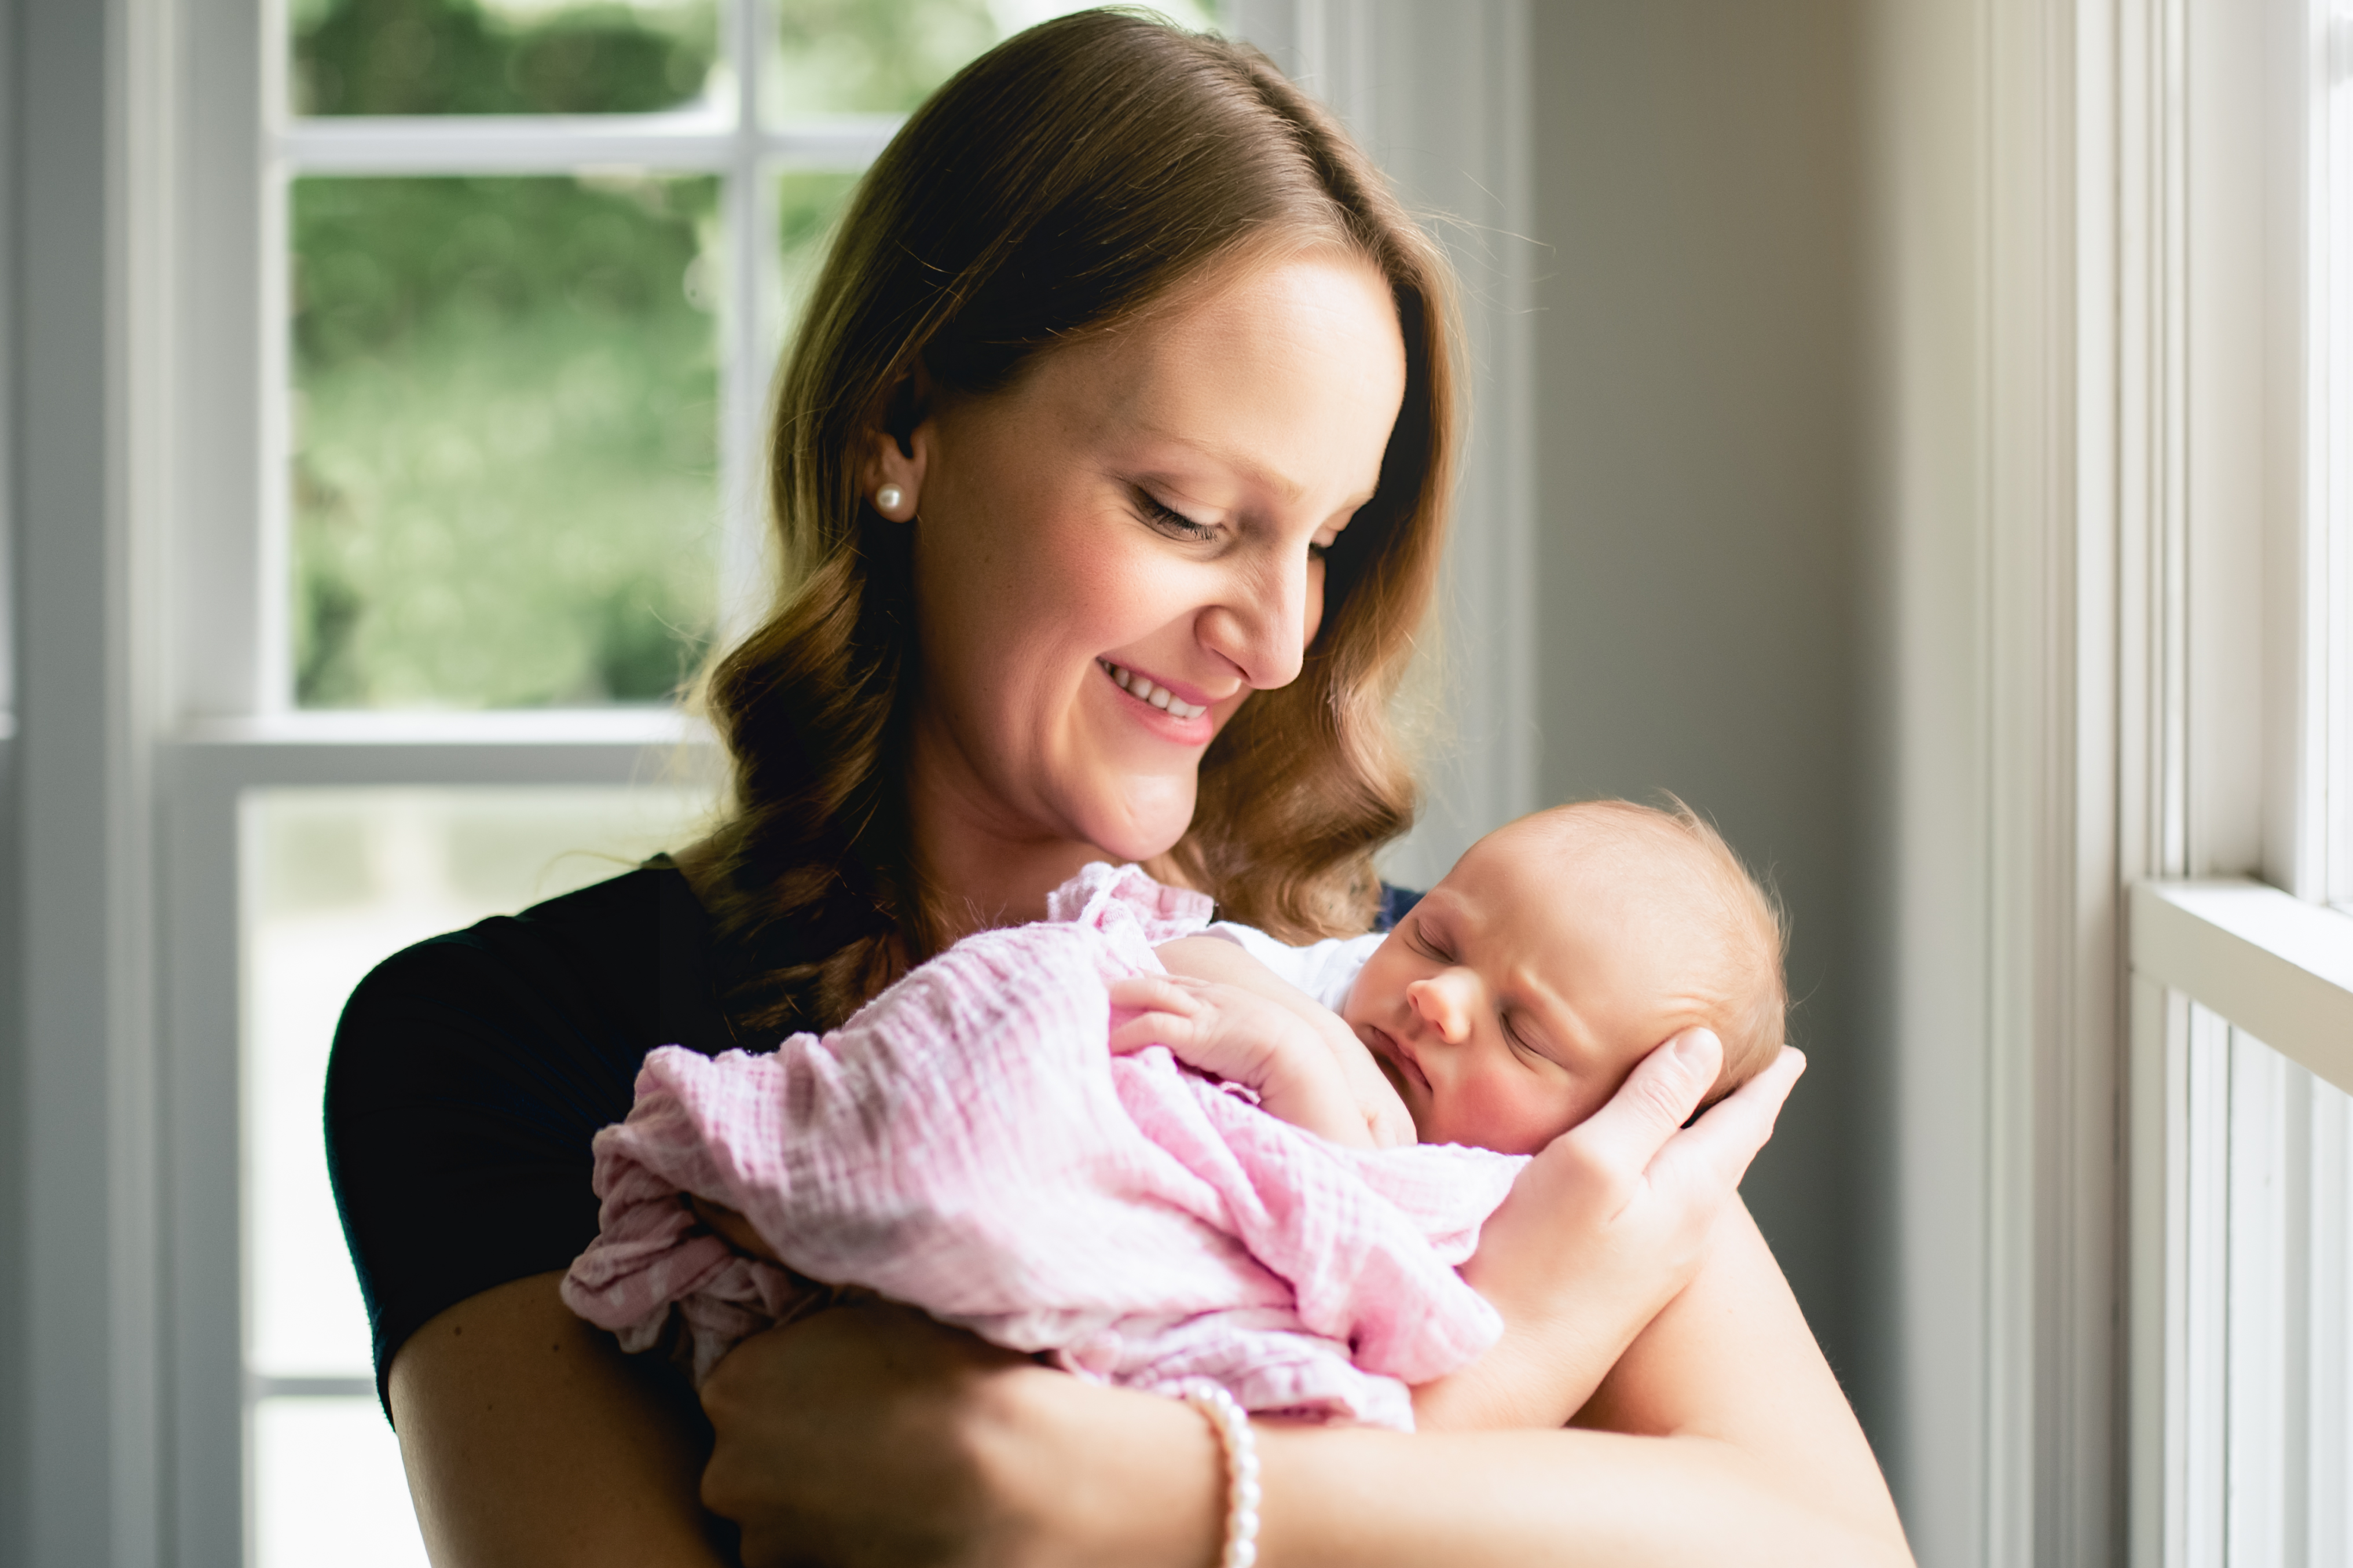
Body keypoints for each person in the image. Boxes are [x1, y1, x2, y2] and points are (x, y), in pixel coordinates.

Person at [325, 11, 1914, 1565]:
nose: (1277, 644)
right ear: (901, 423)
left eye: (1325, 539)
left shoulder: (1457, 1023)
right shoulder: (490, 1048)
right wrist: (1520, 1370)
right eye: (1185, 511)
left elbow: (1832, 1547)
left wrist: (1158, 1491)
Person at [1128, 797, 1788, 1156]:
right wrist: (1316, 1045)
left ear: (1618, 1121)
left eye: (1521, 1032)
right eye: (1434, 942)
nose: (1436, 995)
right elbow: (1166, 956)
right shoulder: (1339, 991)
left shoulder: (1541, 1208)